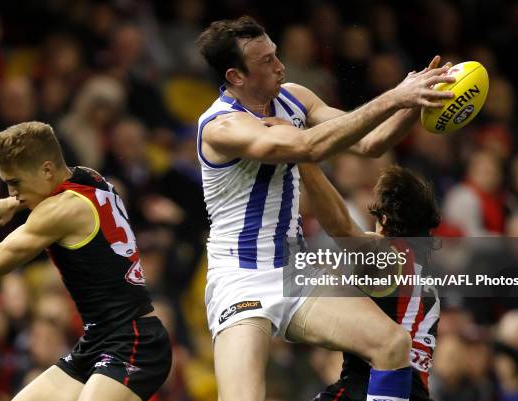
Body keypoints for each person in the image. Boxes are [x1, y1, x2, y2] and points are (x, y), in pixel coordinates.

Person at [195, 16, 454, 401]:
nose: (280, 66)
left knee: (391, 344)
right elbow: (309, 148)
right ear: (235, 75)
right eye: (266, 61)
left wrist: (418, 101)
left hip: (294, 273)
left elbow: (372, 144)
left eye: (276, 54)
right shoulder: (221, 127)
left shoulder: (294, 97)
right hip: (239, 279)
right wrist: (395, 96)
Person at [0, 121, 172, 401]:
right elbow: (58, 191)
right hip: (99, 342)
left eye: (15, 183)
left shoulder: (58, 211)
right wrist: (13, 203)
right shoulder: (89, 176)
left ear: (47, 169)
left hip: (134, 343)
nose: (12, 191)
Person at [298, 162, 441, 401]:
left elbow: (339, 226)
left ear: (383, 219)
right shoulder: (426, 279)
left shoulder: (387, 256)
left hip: (372, 386)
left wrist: (303, 157)